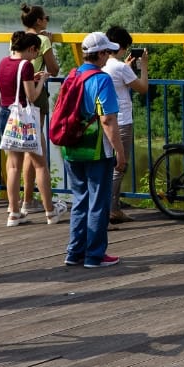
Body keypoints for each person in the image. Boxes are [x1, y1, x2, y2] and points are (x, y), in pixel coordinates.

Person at [59, 32, 125, 268]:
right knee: (98, 201)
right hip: (96, 149)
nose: (109, 55)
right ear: (101, 53)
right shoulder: (102, 79)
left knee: (80, 199)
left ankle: (74, 252)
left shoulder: (73, 75)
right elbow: (107, 119)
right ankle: (95, 255)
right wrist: (120, 152)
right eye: (108, 51)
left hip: (70, 146)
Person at [0, 32, 61, 227]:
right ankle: (50, 211)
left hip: (7, 115)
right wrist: (41, 81)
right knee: (40, 165)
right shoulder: (26, 65)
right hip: (24, 120)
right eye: (36, 53)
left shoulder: (3, 62)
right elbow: (32, 96)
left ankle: (14, 213)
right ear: (32, 49)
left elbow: (11, 85)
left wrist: (31, 78)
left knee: (13, 166)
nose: (35, 57)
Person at [102, 27, 148, 224]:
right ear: (121, 47)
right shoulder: (120, 67)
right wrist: (143, 66)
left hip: (104, 120)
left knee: (107, 164)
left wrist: (127, 67)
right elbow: (143, 88)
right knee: (120, 165)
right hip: (121, 121)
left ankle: (112, 207)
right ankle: (111, 210)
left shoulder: (103, 64)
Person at [18, 4, 60, 214]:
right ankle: (32, 201)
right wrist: (50, 43)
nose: (47, 20)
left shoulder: (18, 39)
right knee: (35, 148)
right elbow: (54, 69)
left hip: (18, 93)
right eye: (46, 18)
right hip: (36, 91)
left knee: (28, 148)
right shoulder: (42, 41)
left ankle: (26, 200)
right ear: (38, 21)